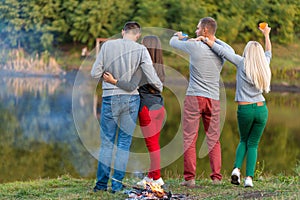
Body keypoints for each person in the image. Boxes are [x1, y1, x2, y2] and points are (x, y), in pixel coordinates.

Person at [91, 21, 163, 193]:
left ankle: (101, 185)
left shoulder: (107, 46)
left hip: (109, 98)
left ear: (122, 31)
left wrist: (109, 79)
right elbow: (152, 77)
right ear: (137, 35)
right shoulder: (141, 50)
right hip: (131, 100)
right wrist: (159, 86)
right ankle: (116, 186)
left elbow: (94, 73)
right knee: (123, 144)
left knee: (107, 143)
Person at [197, 24, 271, 187]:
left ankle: (236, 169)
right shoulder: (265, 64)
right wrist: (266, 35)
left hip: (245, 109)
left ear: (247, 52)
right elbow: (268, 52)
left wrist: (207, 40)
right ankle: (249, 179)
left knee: (244, 140)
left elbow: (222, 51)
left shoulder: (241, 62)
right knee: (253, 144)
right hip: (261, 109)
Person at [169, 17, 234, 187]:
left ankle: (190, 179)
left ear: (205, 30)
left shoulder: (194, 46)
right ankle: (216, 179)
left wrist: (180, 35)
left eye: (198, 28)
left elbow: (172, 42)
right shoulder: (221, 51)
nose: (196, 31)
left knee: (190, 138)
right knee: (213, 139)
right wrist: (212, 39)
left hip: (194, 98)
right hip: (213, 99)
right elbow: (230, 50)